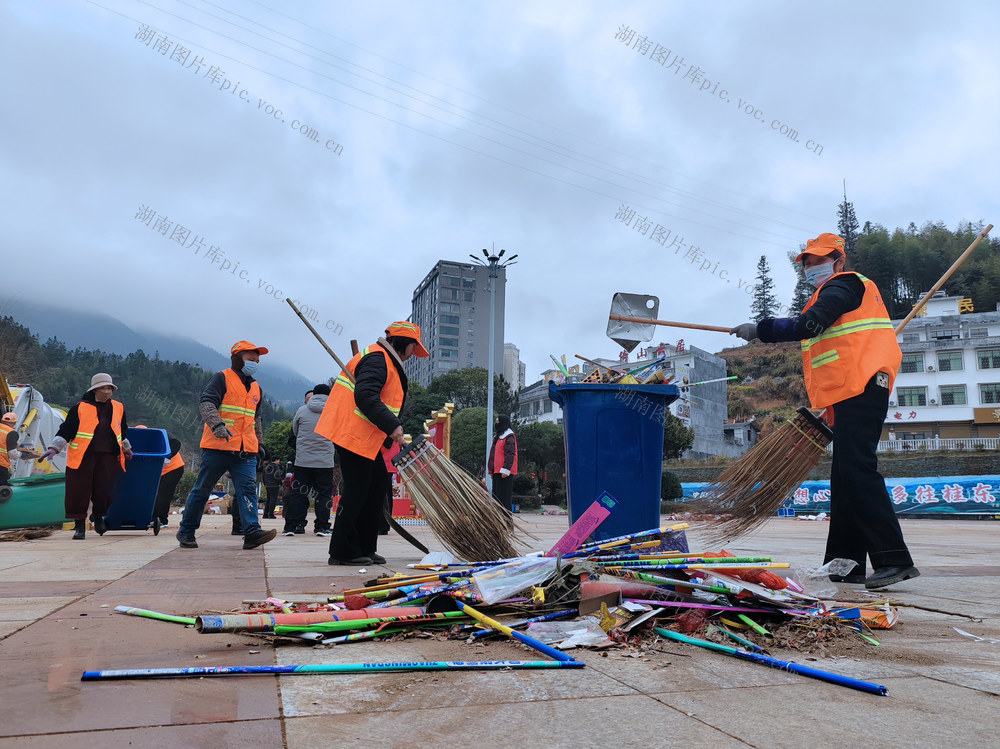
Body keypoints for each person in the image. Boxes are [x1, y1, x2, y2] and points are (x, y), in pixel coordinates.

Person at [731, 232, 918, 590]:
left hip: (864, 386)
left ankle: (894, 558)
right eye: (809, 262)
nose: (813, 267)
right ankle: (844, 564)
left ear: (838, 260)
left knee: (857, 470)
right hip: (850, 391)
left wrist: (760, 329)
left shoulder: (844, 285)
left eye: (819, 260)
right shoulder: (835, 291)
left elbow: (809, 325)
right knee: (845, 476)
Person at [316, 322, 428, 565]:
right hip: (351, 433)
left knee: (376, 487)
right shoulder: (378, 359)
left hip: (366, 437)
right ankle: (343, 551)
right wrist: (392, 425)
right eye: (413, 348)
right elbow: (365, 396)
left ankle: (365, 547)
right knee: (357, 490)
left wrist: (389, 431)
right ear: (404, 343)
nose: (413, 355)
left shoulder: (387, 361)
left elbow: (381, 401)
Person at [175, 341, 277, 550]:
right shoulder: (221, 378)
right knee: (202, 489)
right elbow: (206, 403)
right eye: (251, 359)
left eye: (257, 361)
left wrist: (260, 444)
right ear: (237, 359)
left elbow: (256, 419)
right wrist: (217, 425)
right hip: (217, 447)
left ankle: (251, 533)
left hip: (245, 451)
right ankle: (186, 531)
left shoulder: (257, 387)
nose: (255, 364)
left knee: (247, 491)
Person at [39, 374, 133, 539]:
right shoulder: (80, 408)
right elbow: (66, 430)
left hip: (108, 457)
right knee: (78, 491)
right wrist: (54, 448)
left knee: (104, 490)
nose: (107, 391)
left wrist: (126, 448)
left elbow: (122, 431)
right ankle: (79, 525)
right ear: (95, 389)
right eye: (103, 388)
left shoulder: (118, 407)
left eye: (109, 388)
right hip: (83, 456)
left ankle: (98, 517)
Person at [286, 384, 335, 537]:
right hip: (325, 462)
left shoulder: (302, 410)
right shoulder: (334, 410)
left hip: (303, 461)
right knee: (324, 495)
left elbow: (295, 431)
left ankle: (291, 527)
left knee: (299, 493)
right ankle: (322, 527)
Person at [151, 434, 184, 528]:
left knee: (163, 495)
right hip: (163, 471)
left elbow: (176, 443)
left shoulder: (157, 437)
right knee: (159, 495)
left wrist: (167, 457)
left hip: (173, 468)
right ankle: (158, 519)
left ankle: (161, 520)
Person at [490, 414, 519, 515]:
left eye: (498, 422)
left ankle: (506, 524)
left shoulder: (509, 437)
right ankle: (498, 522)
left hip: (505, 473)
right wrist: (491, 469)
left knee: (504, 499)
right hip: (497, 472)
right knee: (496, 498)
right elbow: (493, 454)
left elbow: (510, 455)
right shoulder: (497, 437)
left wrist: (506, 469)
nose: (496, 424)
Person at [1, 411, 23, 486]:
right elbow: (12, 454)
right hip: (1, 465)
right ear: (14, 423)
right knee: (4, 489)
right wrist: (22, 454)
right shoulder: (11, 433)